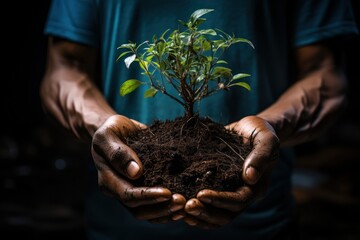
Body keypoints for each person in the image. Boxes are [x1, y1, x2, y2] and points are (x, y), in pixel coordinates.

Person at [40, 0, 358, 239]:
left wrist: (272, 125)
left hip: (261, 229)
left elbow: (325, 75)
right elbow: (64, 67)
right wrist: (102, 127)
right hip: (115, 231)